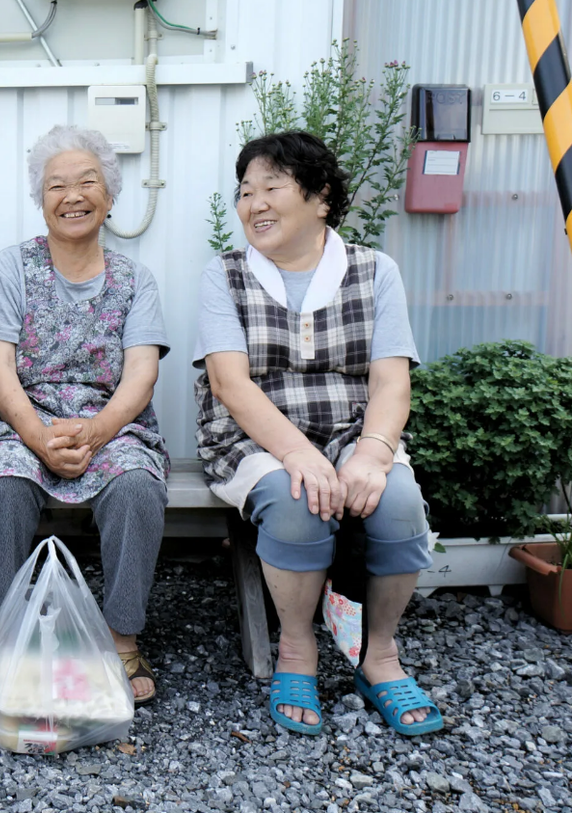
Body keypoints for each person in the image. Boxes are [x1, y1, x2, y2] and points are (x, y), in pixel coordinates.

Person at [194, 131, 442, 736]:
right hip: (252, 439)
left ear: (321, 198)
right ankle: (297, 649)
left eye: (272, 188)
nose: (254, 203)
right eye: (245, 192)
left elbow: (390, 383)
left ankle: (379, 656)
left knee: (400, 502)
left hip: (353, 434)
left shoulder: (375, 271)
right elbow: (230, 383)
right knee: (295, 497)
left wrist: (375, 454)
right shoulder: (225, 275)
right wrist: (298, 454)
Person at [0, 124, 172, 706]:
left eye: (88, 182)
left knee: (136, 484)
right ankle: (4, 641)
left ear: (110, 195)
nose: (72, 196)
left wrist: (97, 430)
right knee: (2, 483)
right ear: (41, 198)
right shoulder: (12, 267)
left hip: (110, 423)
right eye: (57, 185)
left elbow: (141, 374)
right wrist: (36, 435)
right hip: (19, 419)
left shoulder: (135, 280)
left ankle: (121, 637)